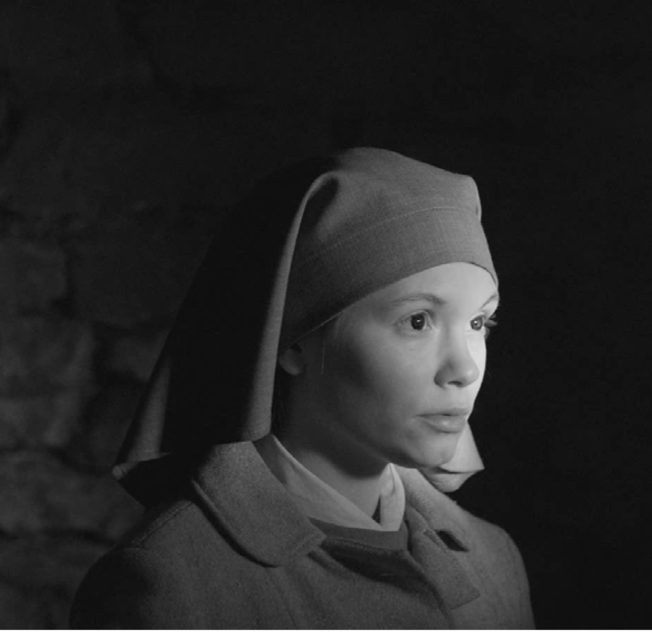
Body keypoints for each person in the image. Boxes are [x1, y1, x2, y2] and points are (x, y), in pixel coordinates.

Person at [69, 148, 535, 629]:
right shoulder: (169, 584)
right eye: (417, 321)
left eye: (479, 322)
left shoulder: (495, 560)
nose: (464, 369)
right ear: (292, 341)